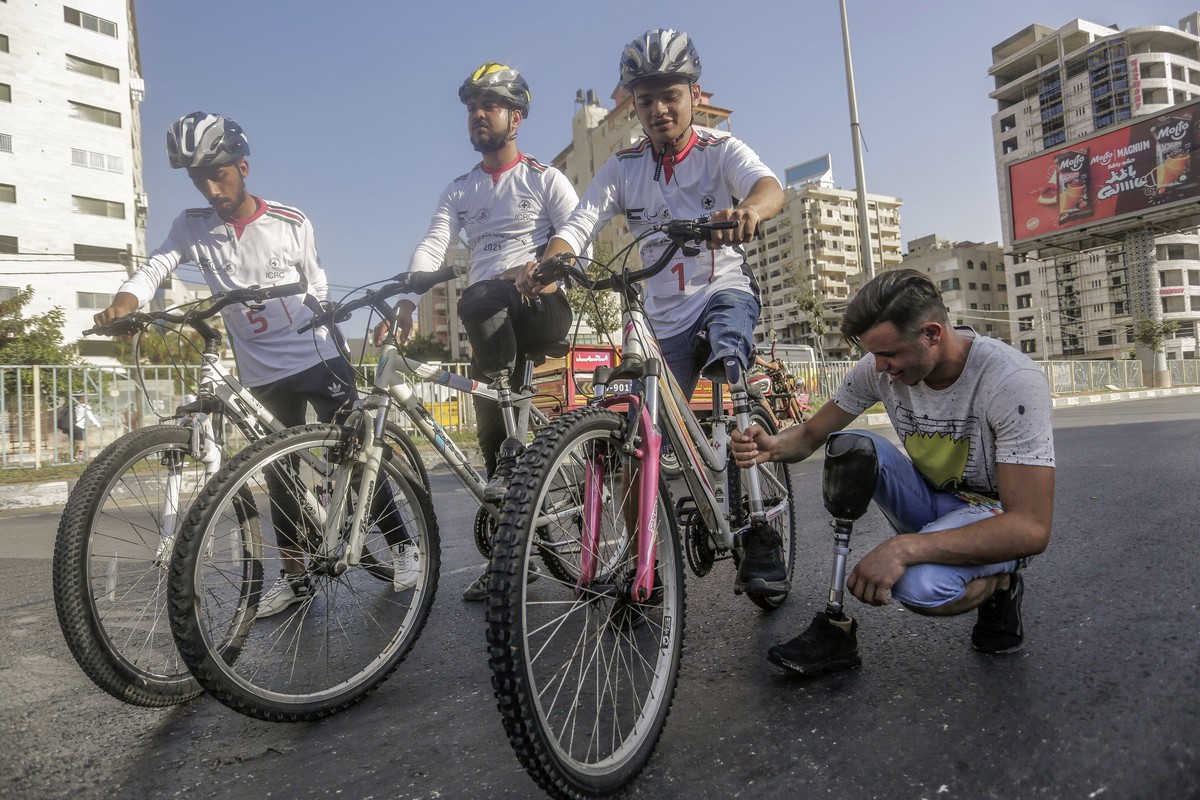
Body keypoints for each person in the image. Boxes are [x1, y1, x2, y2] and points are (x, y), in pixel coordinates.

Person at [93, 111, 419, 617]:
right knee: (280, 475)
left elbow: (318, 281)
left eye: (217, 174)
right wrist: (125, 300)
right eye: (198, 178)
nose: (210, 188)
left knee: (355, 455)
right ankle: (295, 577)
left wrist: (313, 309)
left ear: (243, 167)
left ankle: (403, 546)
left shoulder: (290, 222)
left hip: (316, 356)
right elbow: (156, 264)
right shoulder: (191, 226)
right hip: (262, 373)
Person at [525, 28, 788, 599]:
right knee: (634, 441)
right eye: (646, 99)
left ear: (693, 94)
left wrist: (748, 211)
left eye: (671, 94)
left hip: (723, 291)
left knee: (729, 362)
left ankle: (762, 531)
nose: (659, 108)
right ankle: (644, 561)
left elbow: (769, 188)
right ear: (635, 106)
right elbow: (581, 222)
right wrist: (553, 260)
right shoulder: (623, 166)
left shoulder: (722, 150)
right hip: (663, 318)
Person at [731, 268, 1056, 675]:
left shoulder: (1010, 380)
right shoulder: (878, 367)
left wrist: (903, 549)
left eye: (890, 354)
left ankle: (1002, 583)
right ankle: (835, 626)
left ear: (932, 333)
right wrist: (773, 445)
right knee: (851, 448)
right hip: (930, 499)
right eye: (874, 355)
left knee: (917, 587)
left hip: (990, 512)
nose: (880, 367)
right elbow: (813, 433)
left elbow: (1031, 528)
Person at [378, 63, 578, 601]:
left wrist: (544, 267)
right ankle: (512, 558)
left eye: (488, 105)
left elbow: (579, 230)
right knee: (492, 432)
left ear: (516, 116)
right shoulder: (460, 189)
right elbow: (433, 244)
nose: (477, 114)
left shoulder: (543, 178)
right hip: (492, 323)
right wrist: (404, 299)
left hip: (542, 309)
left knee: (481, 296)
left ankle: (513, 449)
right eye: (471, 107)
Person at [59, 396, 101, 460]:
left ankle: (73, 456)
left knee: (73, 441)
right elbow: (91, 417)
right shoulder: (85, 407)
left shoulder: (72, 406)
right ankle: (80, 456)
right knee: (81, 441)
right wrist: (98, 425)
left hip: (69, 426)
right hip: (78, 426)